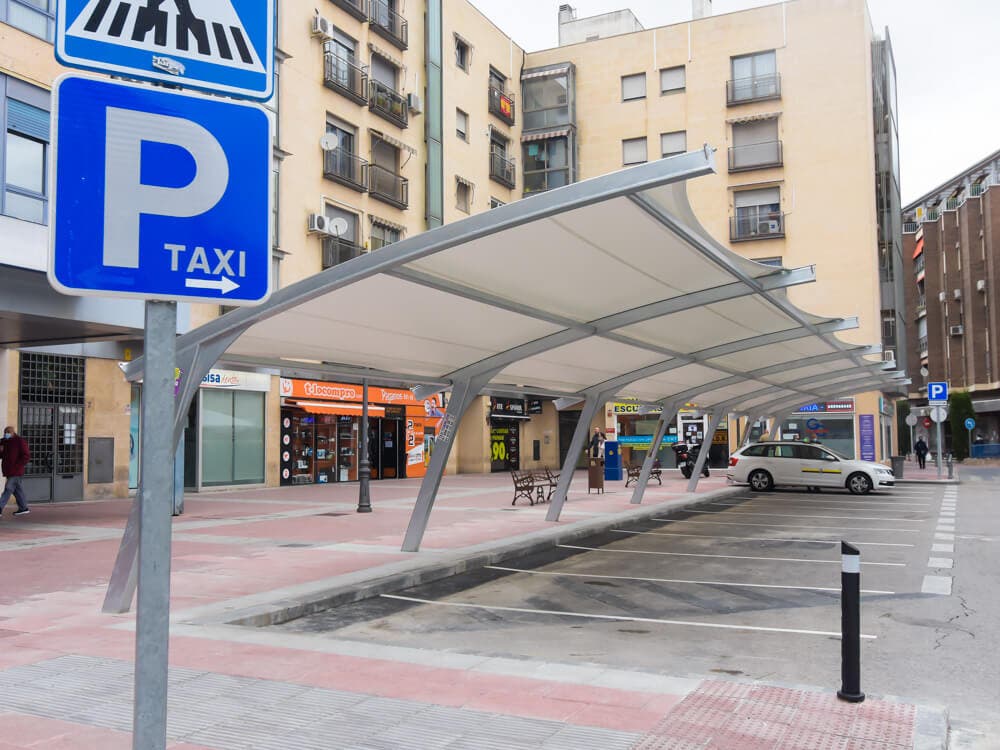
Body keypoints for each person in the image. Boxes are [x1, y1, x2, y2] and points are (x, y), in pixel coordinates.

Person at [0, 426, 31, 517]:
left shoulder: (20, 441)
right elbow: (2, 455)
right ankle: (23, 508)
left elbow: (26, 456)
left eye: (8, 432)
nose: (7, 434)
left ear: (13, 432)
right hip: (8, 470)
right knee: (17, 490)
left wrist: (17, 466)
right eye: (5, 432)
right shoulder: (3, 441)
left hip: (16, 471)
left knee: (8, 488)